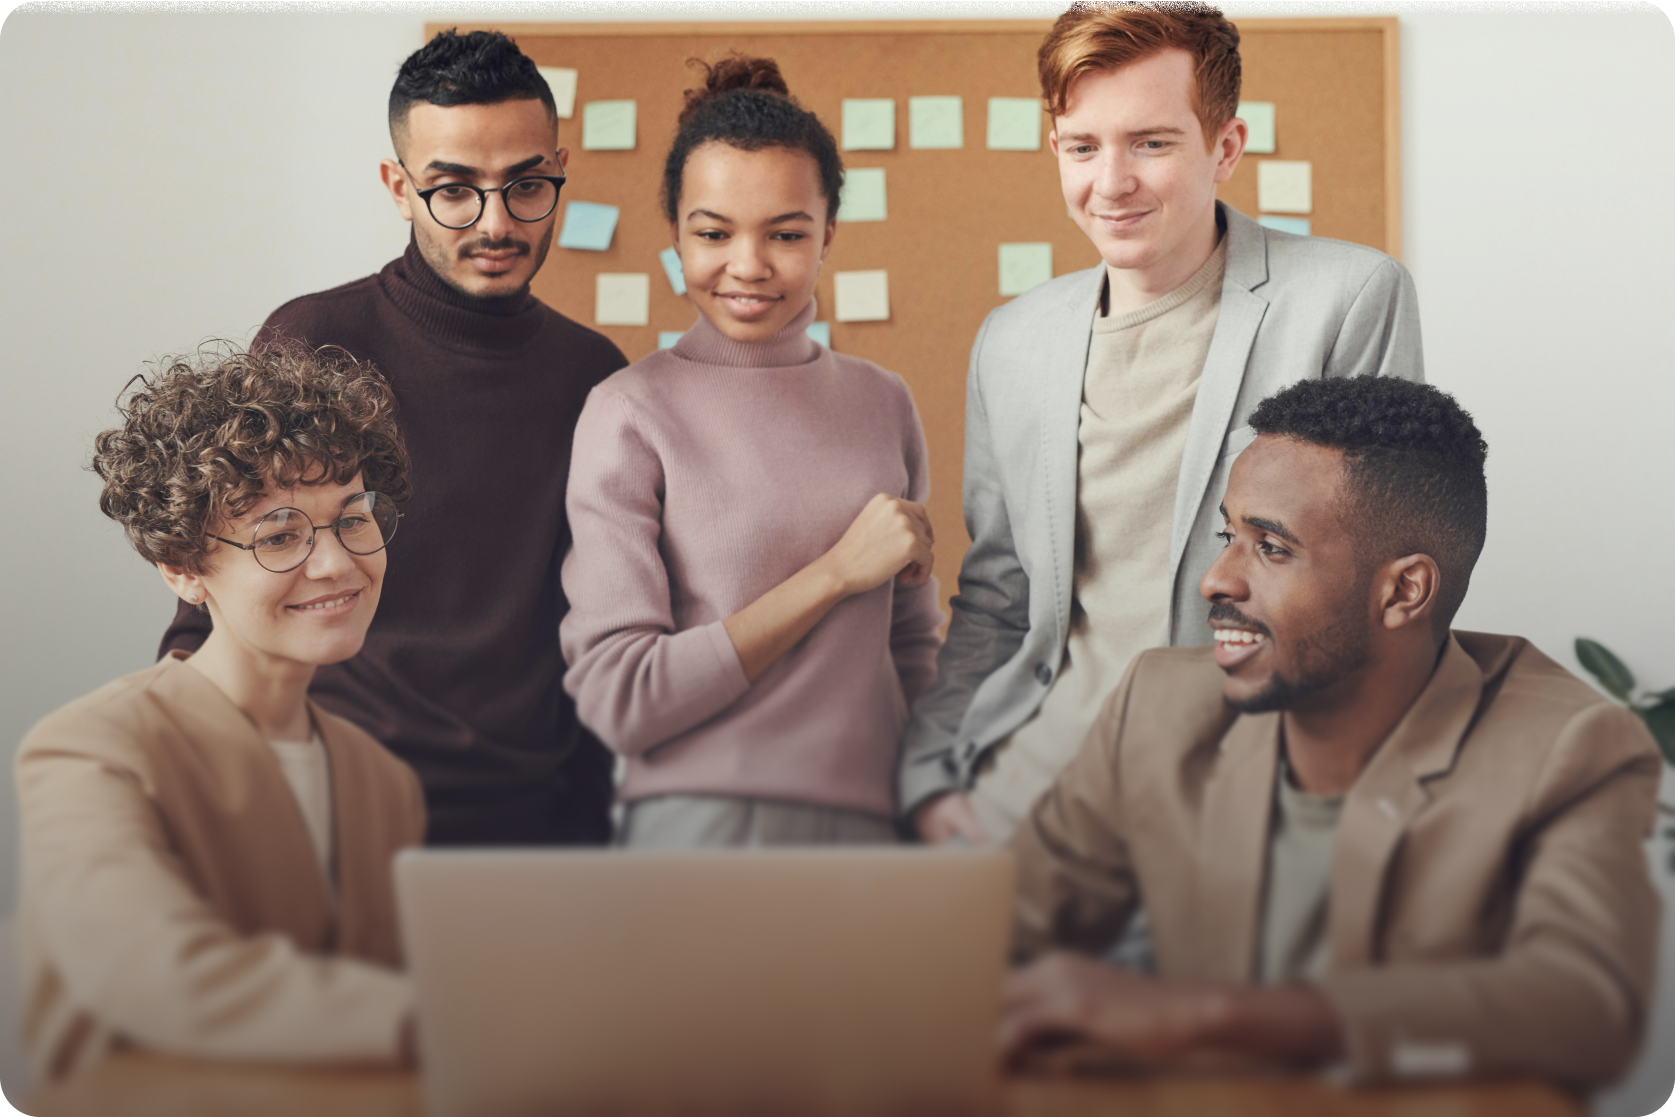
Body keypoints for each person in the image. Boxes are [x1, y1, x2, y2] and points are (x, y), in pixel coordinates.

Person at [998, 376, 1661, 1089]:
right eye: (1228, 534)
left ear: (1403, 590)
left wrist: (1208, 1015)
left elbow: (1580, 1013)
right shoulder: (1158, 703)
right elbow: (1008, 928)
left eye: (1270, 548)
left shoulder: (1570, 745)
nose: (1215, 580)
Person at [902, 0, 1425, 849]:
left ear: (1224, 148)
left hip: (1237, 807)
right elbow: (999, 594)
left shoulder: (1346, 298)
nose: (1110, 182)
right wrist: (929, 780)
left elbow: (1374, 583)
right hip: (1021, 802)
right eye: (1083, 146)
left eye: (1149, 142)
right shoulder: (1012, 339)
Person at [160, 30, 628, 845]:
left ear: (560, 170)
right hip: (330, 815)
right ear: (398, 186)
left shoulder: (594, 374)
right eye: (454, 189)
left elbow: (595, 623)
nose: (494, 223)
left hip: (533, 827)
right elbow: (221, 580)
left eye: (525, 185)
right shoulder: (316, 337)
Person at [559, 57, 944, 848]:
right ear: (674, 231)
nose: (747, 265)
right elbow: (620, 696)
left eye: (786, 233)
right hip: (696, 827)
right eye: (712, 233)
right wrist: (835, 574)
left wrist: (941, 803)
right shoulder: (630, 411)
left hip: (877, 826)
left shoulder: (883, 401)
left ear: (828, 233)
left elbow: (908, 645)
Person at [15, 344, 424, 1079]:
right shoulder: (91, 750)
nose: (334, 563)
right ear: (181, 568)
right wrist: (457, 1013)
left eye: (353, 519)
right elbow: (153, 978)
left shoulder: (380, 780)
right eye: (279, 535)